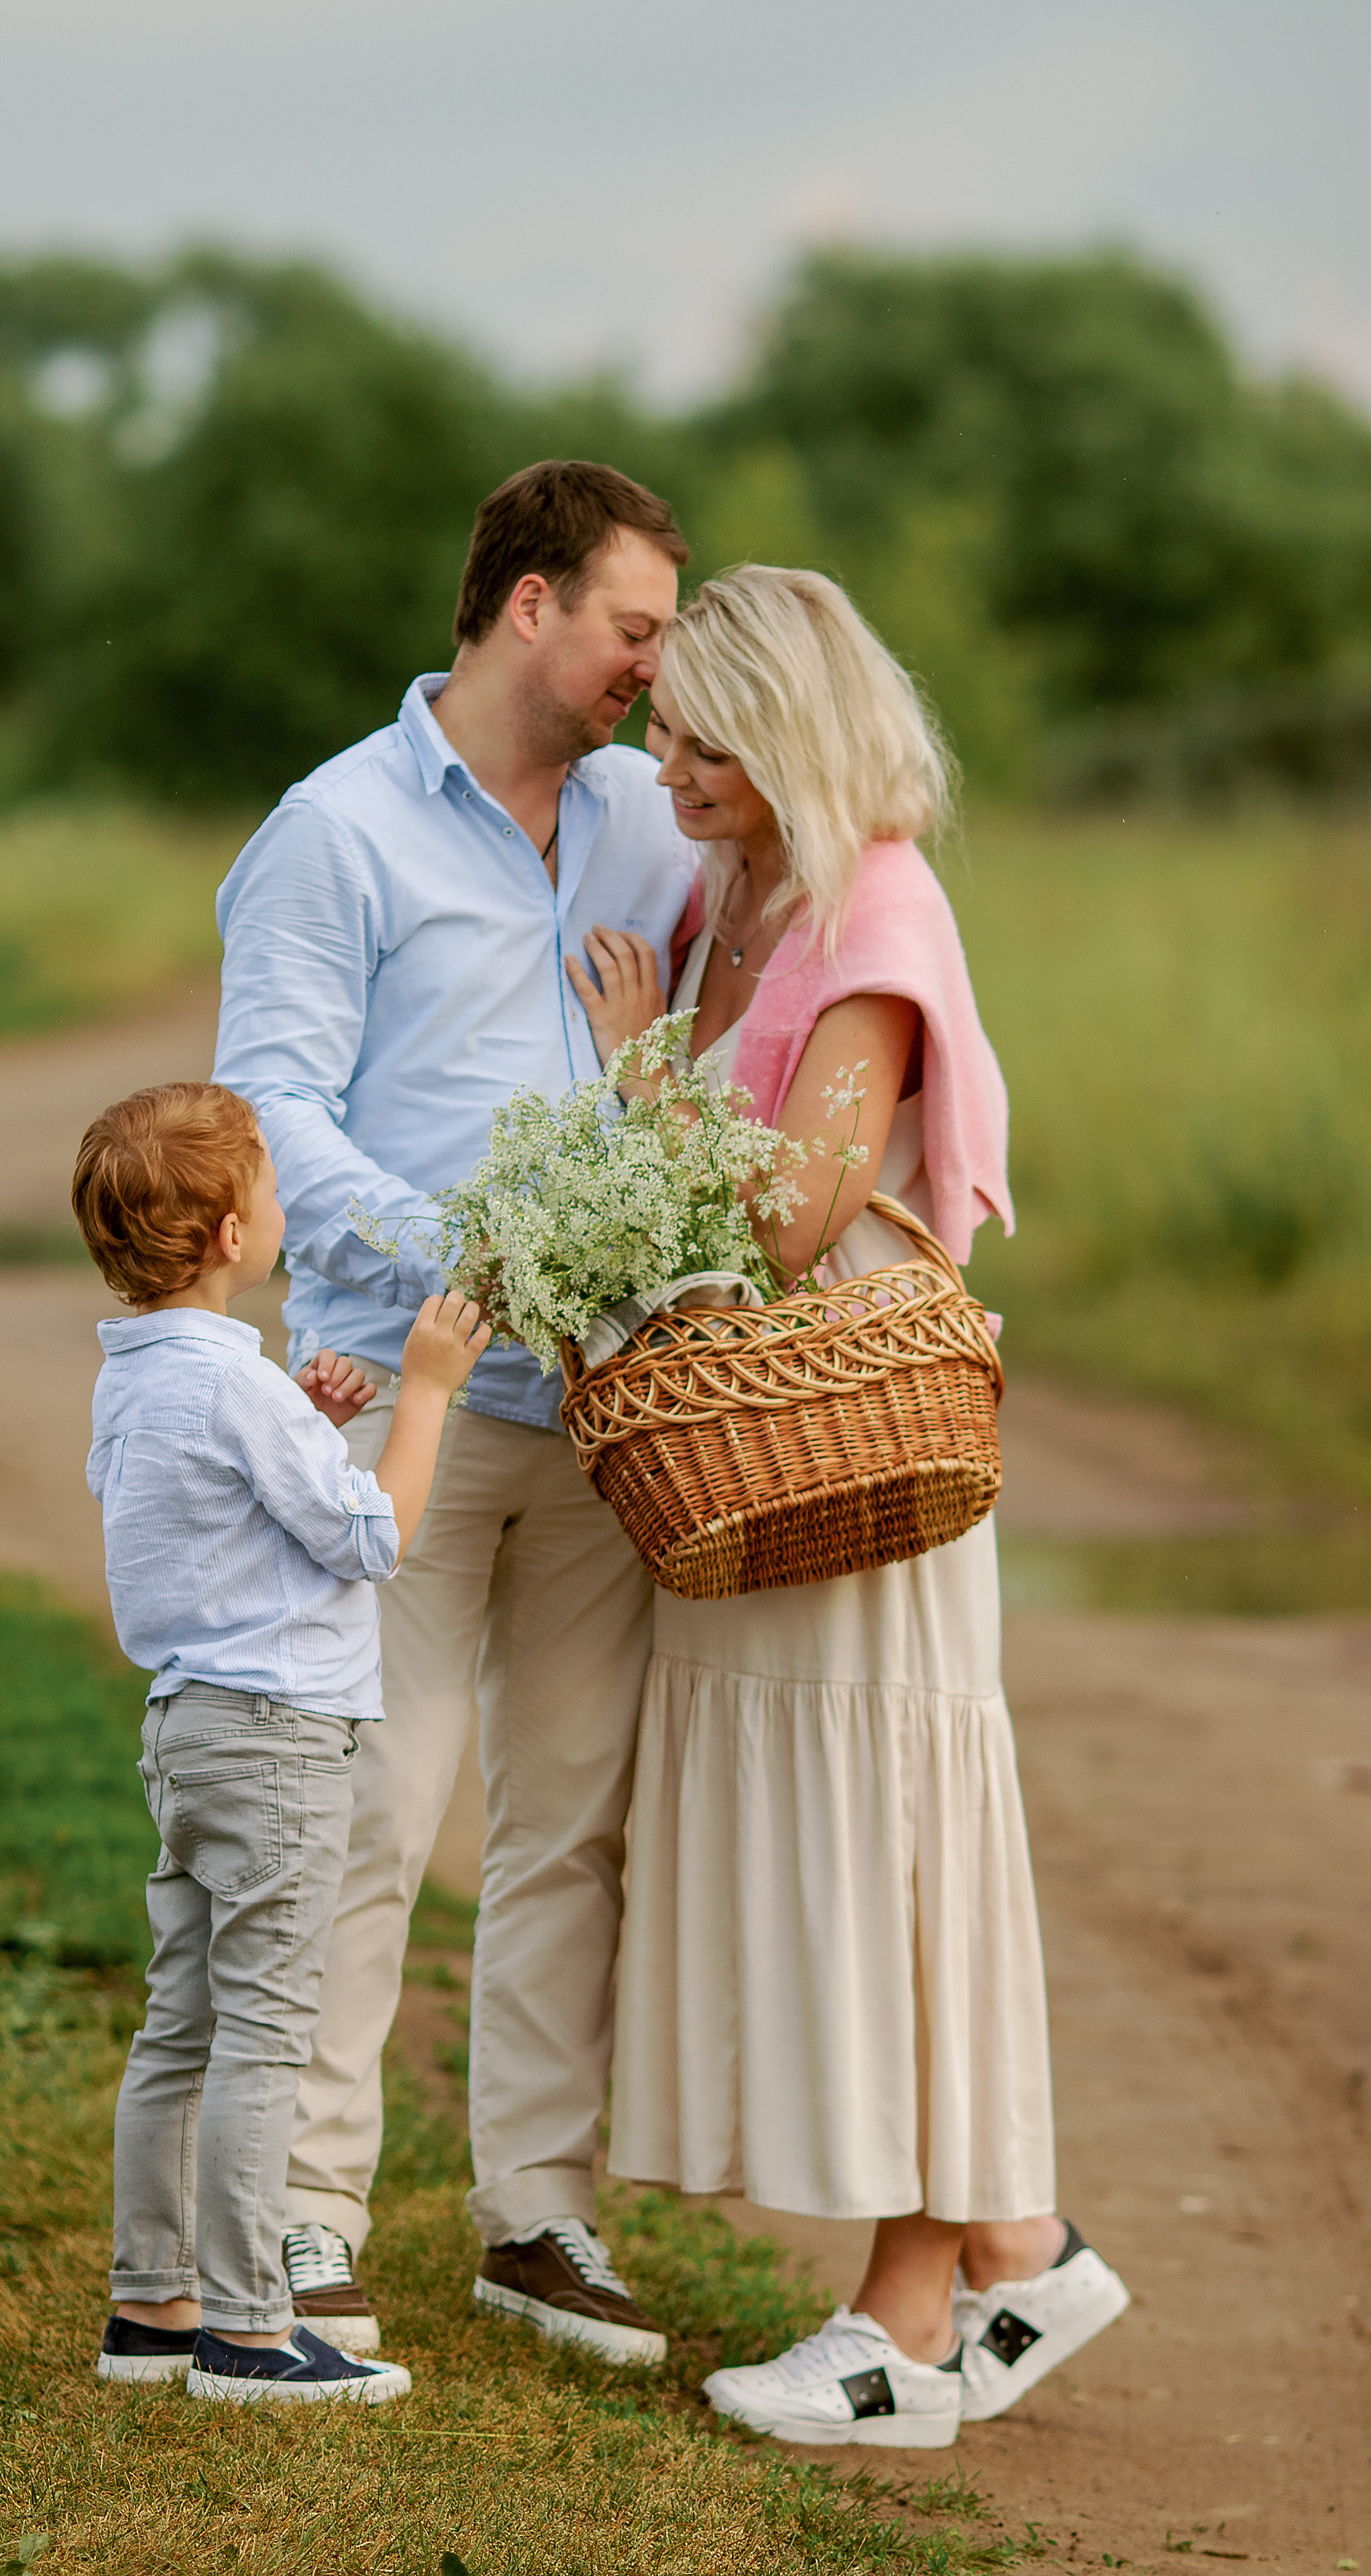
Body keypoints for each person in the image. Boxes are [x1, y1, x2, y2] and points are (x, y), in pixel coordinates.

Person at [568, 566, 1130, 2449]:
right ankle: (968, 2280)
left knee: (884, 1866)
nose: (666, 766)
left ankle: (957, 2287)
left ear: (788, 734)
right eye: (661, 730)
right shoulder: (734, 897)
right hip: (766, 1453)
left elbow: (797, 1210)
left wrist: (642, 1070)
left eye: (700, 739)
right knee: (850, 1867)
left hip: (847, 1459)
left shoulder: (874, 904)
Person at [212, 460, 696, 2366]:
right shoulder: (334, 834)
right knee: (373, 1799)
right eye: (634, 631)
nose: (653, 674)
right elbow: (268, 1105)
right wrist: (469, 1254)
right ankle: (303, 2216)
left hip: (614, 1410)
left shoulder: (656, 819)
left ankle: (536, 2217)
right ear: (529, 607)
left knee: (571, 1814)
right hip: (399, 1396)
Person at [71, 1079, 489, 2403]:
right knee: (263, 2031)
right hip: (279, 1743)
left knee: (181, 2027)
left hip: (188, 1730)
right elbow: (371, 1540)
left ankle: (153, 2304)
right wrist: (418, 1397)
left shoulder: (134, 1378)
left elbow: (202, 1516)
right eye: (267, 1190)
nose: (278, 1208)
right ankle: (252, 2331)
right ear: (228, 1242)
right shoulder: (235, 1386)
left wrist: (300, 1424)